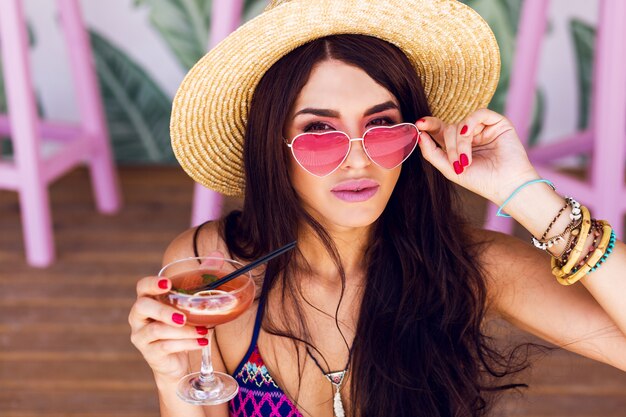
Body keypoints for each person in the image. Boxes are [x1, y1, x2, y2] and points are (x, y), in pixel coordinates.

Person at [128, 0, 626, 416]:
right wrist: (174, 380)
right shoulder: (216, 272)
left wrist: (525, 194)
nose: (358, 159)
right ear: (271, 145)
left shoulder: (465, 264)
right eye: (320, 132)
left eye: (383, 126)